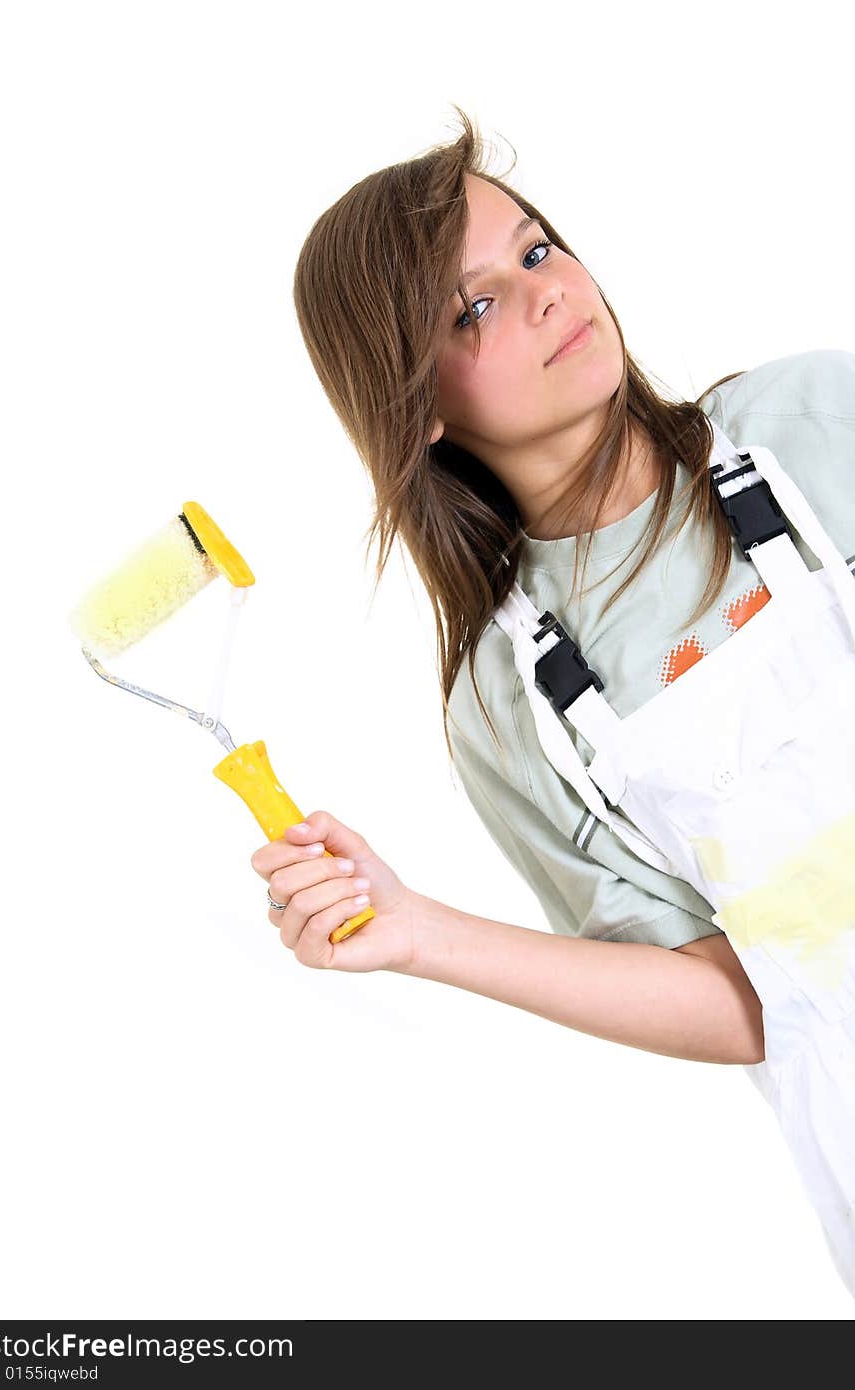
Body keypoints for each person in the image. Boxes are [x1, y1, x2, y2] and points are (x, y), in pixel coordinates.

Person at [249, 109, 855, 1289]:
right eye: (470, 307)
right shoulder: (508, 700)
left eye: (533, 251)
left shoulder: (811, 428)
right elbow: (745, 1001)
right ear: (415, 405)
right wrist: (420, 931)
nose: (541, 295)